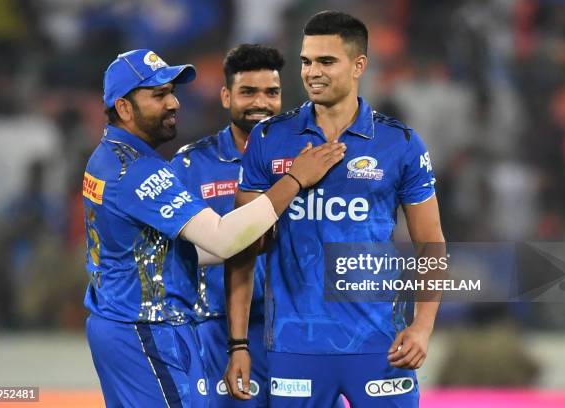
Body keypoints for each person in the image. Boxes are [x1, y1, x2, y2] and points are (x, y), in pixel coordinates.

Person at [82, 48, 346, 408]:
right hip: (147, 328)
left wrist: (254, 244)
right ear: (124, 108)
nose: (174, 103)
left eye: (172, 92)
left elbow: (155, 250)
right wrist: (295, 179)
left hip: (129, 321)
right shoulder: (140, 172)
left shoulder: (111, 158)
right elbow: (222, 240)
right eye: (159, 95)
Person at [224, 11, 444, 408]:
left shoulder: (401, 143)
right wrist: (238, 344)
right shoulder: (270, 138)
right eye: (307, 61)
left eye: (326, 61)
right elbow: (241, 246)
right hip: (295, 344)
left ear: (359, 65)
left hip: (381, 346)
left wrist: (423, 327)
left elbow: (431, 243)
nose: (312, 72)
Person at [170, 44, 284, 407]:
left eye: (271, 92)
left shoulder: (302, 159)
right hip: (216, 330)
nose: (260, 102)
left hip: (290, 328)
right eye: (248, 92)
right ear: (225, 96)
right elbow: (176, 249)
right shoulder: (191, 165)